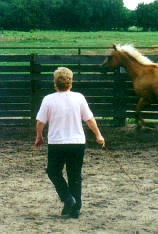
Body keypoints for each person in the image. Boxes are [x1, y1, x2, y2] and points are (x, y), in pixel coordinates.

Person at [34, 67, 105, 219]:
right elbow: (89, 119)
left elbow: (40, 122)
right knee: (75, 175)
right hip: (77, 143)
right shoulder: (79, 98)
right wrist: (98, 135)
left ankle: (67, 198)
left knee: (53, 172)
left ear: (55, 82)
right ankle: (76, 209)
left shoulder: (48, 99)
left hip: (57, 143)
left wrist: (39, 137)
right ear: (70, 82)